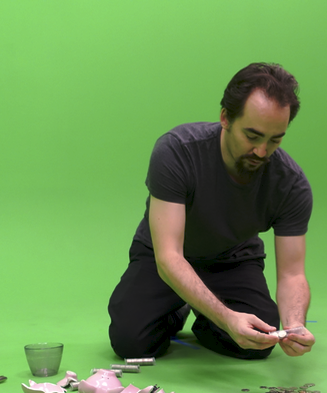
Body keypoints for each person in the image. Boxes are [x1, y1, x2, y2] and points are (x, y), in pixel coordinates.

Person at [108, 63, 315, 360]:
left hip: (233, 260)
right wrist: (227, 318)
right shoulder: (176, 152)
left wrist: (295, 325)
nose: (261, 151)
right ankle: (182, 308)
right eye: (252, 136)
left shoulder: (291, 184)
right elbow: (169, 257)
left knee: (258, 342)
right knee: (131, 342)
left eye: (275, 140)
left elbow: (292, 274)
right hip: (166, 256)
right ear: (225, 118)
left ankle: (208, 317)